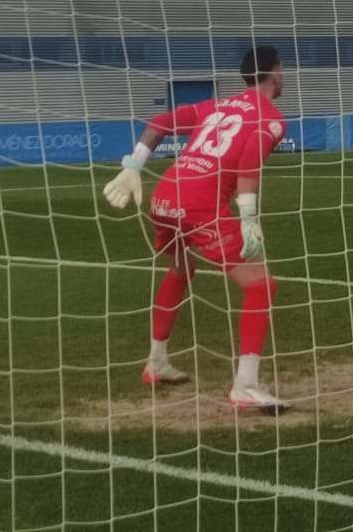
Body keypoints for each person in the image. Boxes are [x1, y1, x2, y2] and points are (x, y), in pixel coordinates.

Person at [101, 45, 289, 415]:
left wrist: (133, 167)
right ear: (275, 73)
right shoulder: (271, 117)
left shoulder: (215, 106)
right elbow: (249, 160)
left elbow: (160, 122)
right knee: (261, 285)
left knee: (180, 269)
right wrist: (249, 219)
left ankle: (156, 362)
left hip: (165, 196)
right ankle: (246, 386)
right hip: (199, 205)